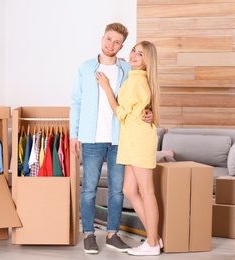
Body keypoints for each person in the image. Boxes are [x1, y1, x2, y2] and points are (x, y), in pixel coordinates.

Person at [70, 22, 153, 254]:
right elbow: (76, 102)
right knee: (88, 189)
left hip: (120, 139)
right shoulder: (86, 68)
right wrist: (74, 134)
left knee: (118, 190)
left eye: (117, 42)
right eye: (108, 39)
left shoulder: (127, 70)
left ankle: (112, 235)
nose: (111, 45)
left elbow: (141, 97)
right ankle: (88, 235)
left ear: (122, 46)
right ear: (102, 38)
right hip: (92, 139)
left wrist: (149, 111)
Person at [96, 40, 163, 256]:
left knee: (148, 191)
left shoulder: (136, 81)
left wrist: (106, 87)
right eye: (133, 50)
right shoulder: (135, 77)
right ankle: (155, 239)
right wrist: (126, 65)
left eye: (140, 54)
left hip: (138, 141)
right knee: (128, 190)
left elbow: (121, 113)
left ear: (147, 61)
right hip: (133, 140)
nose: (133, 55)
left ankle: (152, 243)